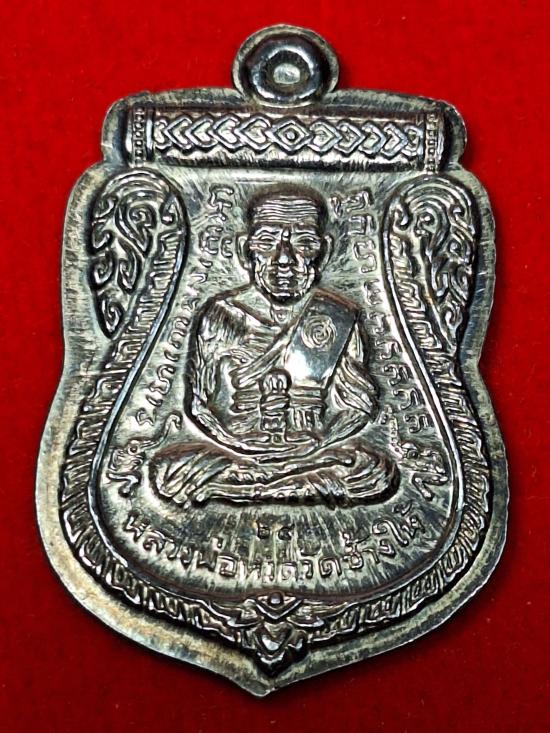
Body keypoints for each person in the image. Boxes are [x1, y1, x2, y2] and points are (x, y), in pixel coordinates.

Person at [150, 186, 398, 507]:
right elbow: (200, 405)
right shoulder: (222, 314)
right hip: (237, 451)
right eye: (267, 243)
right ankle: (279, 485)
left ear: (324, 251)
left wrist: (316, 443)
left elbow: (357, 407)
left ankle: (249, 488)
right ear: (245, 251)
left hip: (312, 451)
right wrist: (239, 446)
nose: (284, 259)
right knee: (169, 471)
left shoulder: (336, 316)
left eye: (303, 243)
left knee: (372, 470)